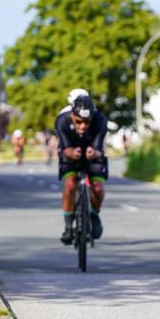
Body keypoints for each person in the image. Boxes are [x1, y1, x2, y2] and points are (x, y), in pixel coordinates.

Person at [56, 94, 109, 244]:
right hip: (70, 151)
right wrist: (71, 153)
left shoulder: (100, 120)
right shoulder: (62, 120)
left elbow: (98, 147)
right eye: (78, 121)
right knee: (70, 184)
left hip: (93, 152)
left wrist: (94, 153)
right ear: (72, 115)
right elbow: (65, 147)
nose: (83, 126)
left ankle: (94, 214)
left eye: (87, 122)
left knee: (97, 187)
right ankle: (68, 226)